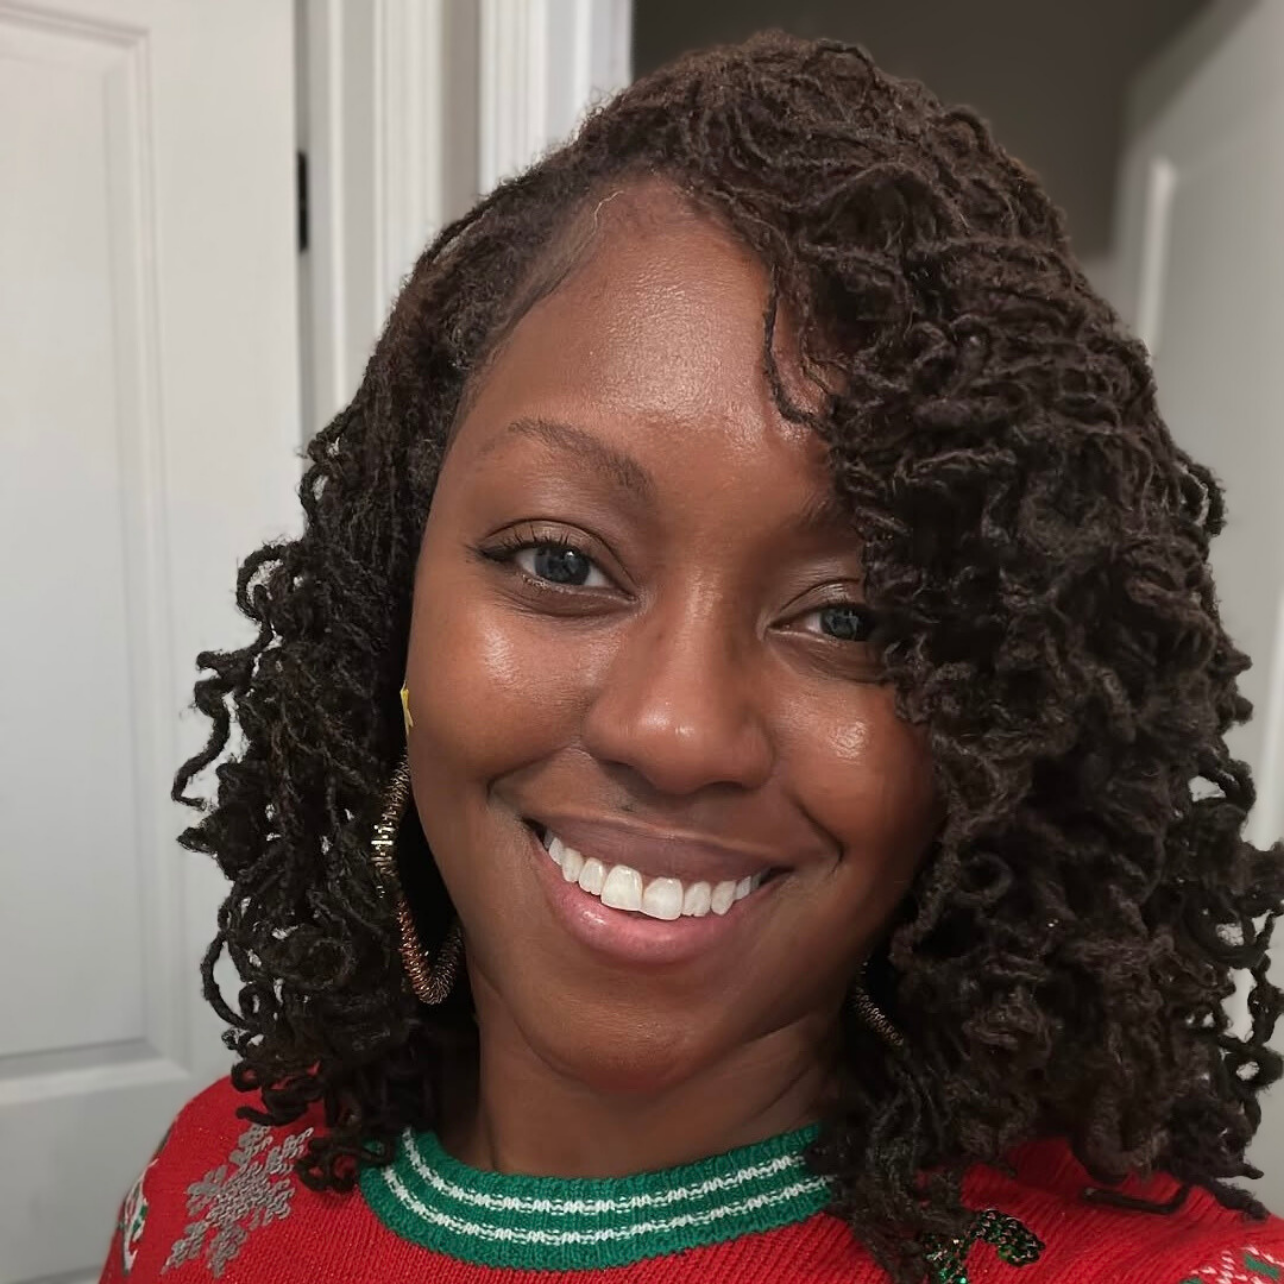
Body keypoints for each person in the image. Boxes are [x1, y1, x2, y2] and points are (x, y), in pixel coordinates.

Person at [98, 30, 1284, 1284]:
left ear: (993, 725)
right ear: (393, 606)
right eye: (560, 560)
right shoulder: (207, 1184)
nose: (674, 730)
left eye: (853, 620)